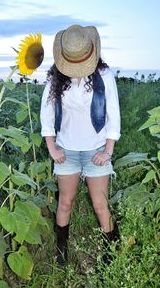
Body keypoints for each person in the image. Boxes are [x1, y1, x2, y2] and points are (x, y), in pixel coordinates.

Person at [40, 24, 121, 265]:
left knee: (100, 204)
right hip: (67, 151)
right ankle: (61, 252)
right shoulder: (55, 78)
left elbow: (113, 115)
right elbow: (46, 112)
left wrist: (108, 151)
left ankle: (111, 255)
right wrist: (52, 147)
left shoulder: (105, 76)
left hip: (97, 149)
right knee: (65, 201)